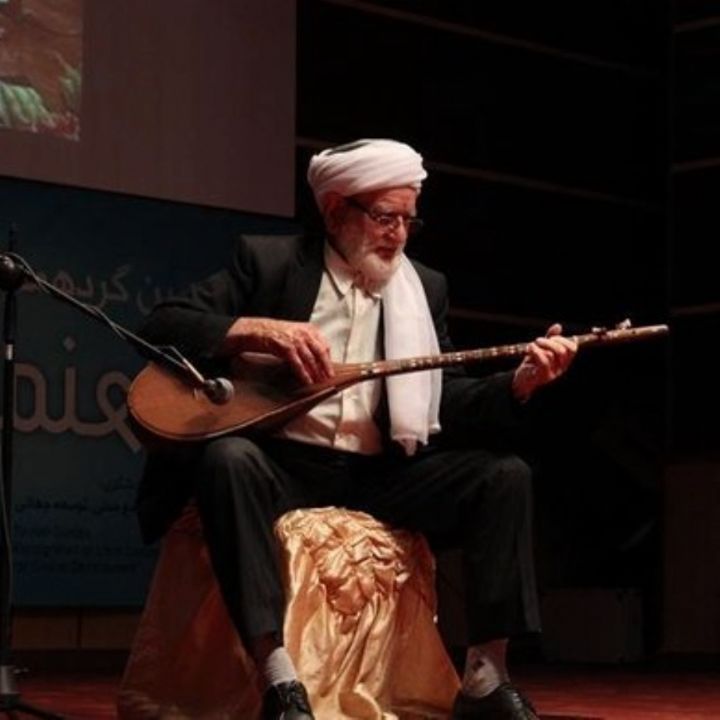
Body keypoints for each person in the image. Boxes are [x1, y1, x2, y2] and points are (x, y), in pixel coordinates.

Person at [136, 138, 577, 720]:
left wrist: (518, 384)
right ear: (335, 210)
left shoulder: (424, 287)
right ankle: (278, 677)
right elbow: (162, 324)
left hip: (378, 473)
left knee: (504, 476)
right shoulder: (271, 263)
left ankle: (485, 678)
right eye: (385, 217)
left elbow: (444, 397)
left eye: (408, 220)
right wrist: (257, 330)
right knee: (228, 459)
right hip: (284, 466)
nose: (398, 234)